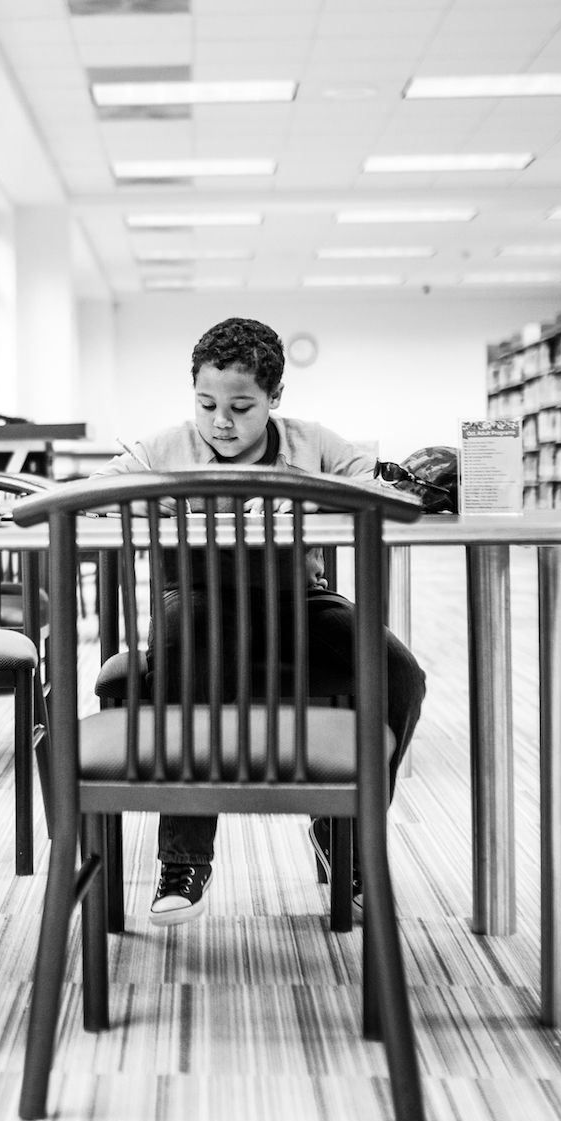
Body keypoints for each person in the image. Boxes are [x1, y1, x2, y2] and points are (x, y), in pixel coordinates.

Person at [92, 317, 428, 927]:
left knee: (399, 671)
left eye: (242, 407)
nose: (222, 421)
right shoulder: (162, 447)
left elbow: (391, 498)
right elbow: (93, 497)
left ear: (275, 400)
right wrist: (145, 495)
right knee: (190, 640)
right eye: (207, 404)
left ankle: (343, 833)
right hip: (193, 602)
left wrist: (300, 489)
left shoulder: (312, 442)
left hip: (297, 605)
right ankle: (183, 860)